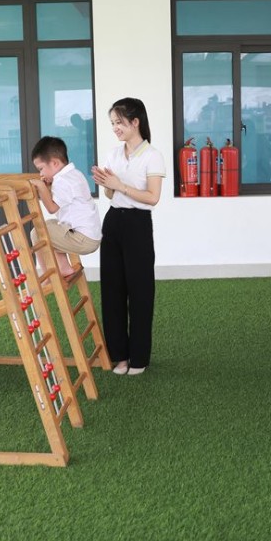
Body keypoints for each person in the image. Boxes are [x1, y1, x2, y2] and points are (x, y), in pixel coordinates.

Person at [91, 98, 165, 376]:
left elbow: (153, 198)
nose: (115, 128)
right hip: (113, 222)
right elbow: (111, 195)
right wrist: (105, 184)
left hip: (137, 225)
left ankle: (139, 358)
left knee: (140, 291)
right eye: (112, 123)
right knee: (111, 291)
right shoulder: (113, 154)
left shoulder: (152, 155)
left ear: (135, 122)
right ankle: (119, 356)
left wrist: (118, 184)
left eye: (119, 122)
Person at [29, 136, 102, 278]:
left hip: (82, 239)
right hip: (90, 236)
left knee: (37, 232)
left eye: (41, 168)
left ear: (55, 163)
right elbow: (61, 202)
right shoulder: (74, 174)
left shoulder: (62, 181)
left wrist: (41, 187)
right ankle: (64, 267)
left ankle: (47, 276)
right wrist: (48, 187)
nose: (41, 174)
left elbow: (52, 208)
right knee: (50, 225)